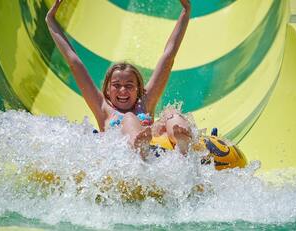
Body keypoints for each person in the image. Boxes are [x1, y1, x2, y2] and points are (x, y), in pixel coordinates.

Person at [46, 0, 192, 158]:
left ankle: (183, 143)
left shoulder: (145, 101)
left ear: (138, 89)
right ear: (108, 90)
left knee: (170, 114)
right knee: (129, 118)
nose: (123, 90)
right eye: (116, 85)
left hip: (155, 147)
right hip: (126, 154)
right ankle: (139, 146)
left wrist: (186, 12)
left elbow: (168, 57)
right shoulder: (102, 107)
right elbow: (74, 63)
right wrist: (50, 20)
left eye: (129, 85)